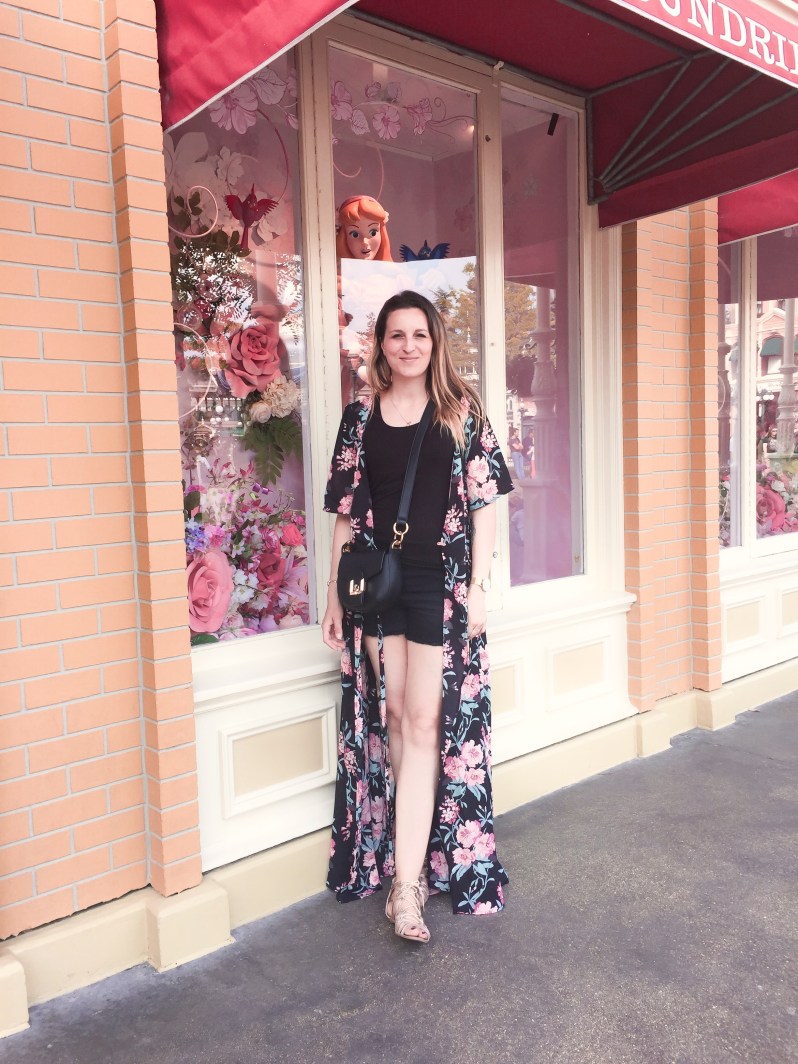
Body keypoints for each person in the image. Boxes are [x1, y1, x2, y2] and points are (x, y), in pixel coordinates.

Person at [321, 290, 513, 944]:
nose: (408, 346)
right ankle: (417, 857)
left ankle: (406, 888)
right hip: (380, 585)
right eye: (396, 335)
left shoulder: (461, 410)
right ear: (381, 344)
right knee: (398, 716)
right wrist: (333, 597)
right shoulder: (359, 417)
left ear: (435, 342)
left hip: (440, 585)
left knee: (426, 721)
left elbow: (486, 506)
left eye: (419, 335)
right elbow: (346, 514)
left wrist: (480, 587)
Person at [335, 194, 393, 262]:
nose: (365, 242)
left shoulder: (390, 268)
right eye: (355, 234)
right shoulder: (330, 268)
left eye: (373, 232)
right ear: (344, 236)